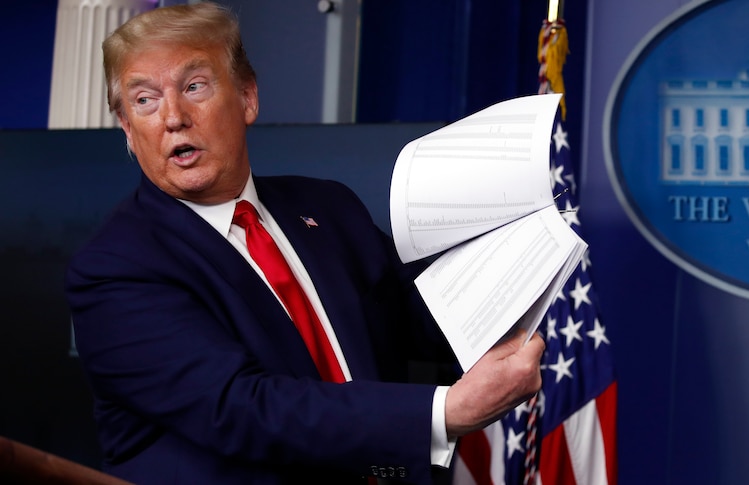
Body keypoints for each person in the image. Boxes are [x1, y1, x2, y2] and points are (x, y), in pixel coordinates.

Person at [65, 2, 545, 485]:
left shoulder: (328, 207)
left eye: (194, 87)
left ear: (247, 97)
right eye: (144, 100)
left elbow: (428, 318)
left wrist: (526, 255)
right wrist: (444, 411)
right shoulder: (114, 269)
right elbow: (242, 408)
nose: (173, 117)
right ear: (128, 128)